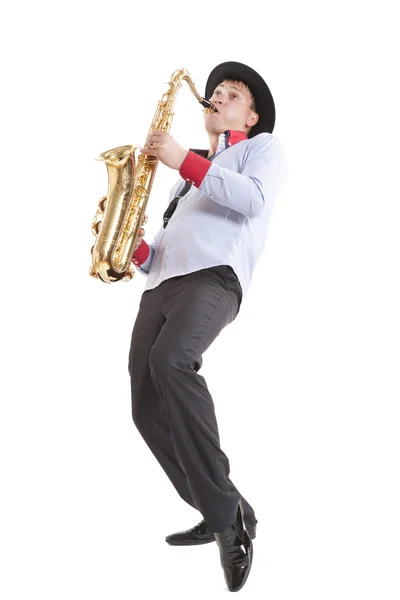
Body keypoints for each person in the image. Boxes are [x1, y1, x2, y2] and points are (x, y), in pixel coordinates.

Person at [128, 61, 287, 592]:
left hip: (214, 279)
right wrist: (139, 249)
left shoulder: (261, 150)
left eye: (231, 93)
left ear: (252, 113)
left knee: (172, 362)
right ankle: (228, 504)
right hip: (162, 287)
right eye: (215, 92)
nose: (217, 97)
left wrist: (183, 161)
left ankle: (226, 527)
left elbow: (253, 200)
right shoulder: (194, 168)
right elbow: (166, 250)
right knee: (145, 406)